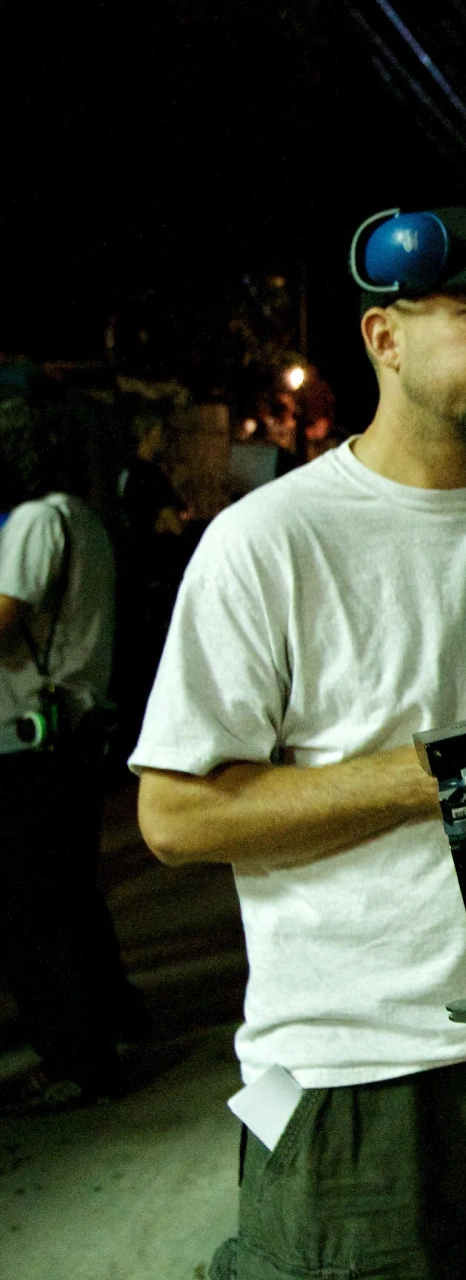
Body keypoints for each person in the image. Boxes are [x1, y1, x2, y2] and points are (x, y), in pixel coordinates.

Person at [130, 205, 466, 1280]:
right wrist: (431, 772)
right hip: (355, 1078)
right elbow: (174, 814)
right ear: (384, 338)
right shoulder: (272, 539)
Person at [0, 371, 144, 1112]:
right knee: (72, 899)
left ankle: (76, 1061)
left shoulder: (33, 523)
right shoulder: (83, 516)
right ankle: (114, 1022)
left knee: (35, 915)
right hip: (73, 738)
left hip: (33, 746)